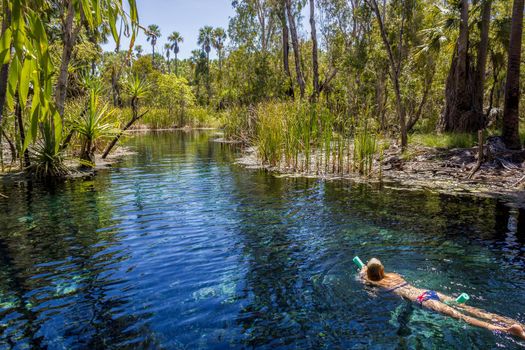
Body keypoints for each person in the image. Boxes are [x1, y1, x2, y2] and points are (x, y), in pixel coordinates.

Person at [359, 258, 525, 340]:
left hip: (421, 301)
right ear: (382, 269)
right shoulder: (393, 275)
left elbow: (371, 293)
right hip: (429, 292)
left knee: (463, 317)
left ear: (370, 273)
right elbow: (378, 273)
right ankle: (509, 321)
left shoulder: (375, 282)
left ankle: (507, 331)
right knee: (471, 309)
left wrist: (363, 276)